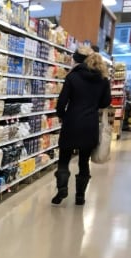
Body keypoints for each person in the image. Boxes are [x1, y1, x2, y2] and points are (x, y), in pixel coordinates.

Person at [52, 45, 112, 206]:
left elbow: (62, 102)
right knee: (84, 162)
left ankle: (62, 189)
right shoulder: (103, 79)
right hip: (90, 124)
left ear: (78, 60)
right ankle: (80, 196)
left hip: (71, 123)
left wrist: (63, 116)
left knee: (64, 159)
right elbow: (105, 102)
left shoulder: (72, 77)